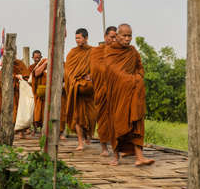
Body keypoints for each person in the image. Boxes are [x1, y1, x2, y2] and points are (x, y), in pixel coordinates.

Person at [91, 24, 154, 166]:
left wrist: (137, 78)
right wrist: (132, 80)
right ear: (117, 36)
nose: (127, 39)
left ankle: (139, 156)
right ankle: (115, 156)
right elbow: (113, 71)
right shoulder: (110, 51)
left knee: (136, 123)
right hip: (117, 95)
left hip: (133, 93)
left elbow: (140, 68)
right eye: (124, 36)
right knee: (117, 124)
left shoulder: (133, 51)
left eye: (129, 36)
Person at [64, 28, 97, 151]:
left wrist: (92, 76)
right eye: (76, 38)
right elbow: (68, 70)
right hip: (76, 89)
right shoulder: (73, 52)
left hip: (89, 90)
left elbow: (99, 67)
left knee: (91, 116)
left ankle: (88, 135)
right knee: (77, 117)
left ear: (86, 38)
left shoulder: (93, 52)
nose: (77, 40)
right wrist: (74, 81)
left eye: (79, 38)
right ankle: (80, 142)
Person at [90, 26, 117, 156]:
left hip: (116, 91)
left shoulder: (119, 52)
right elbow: (96, 68)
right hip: (102, 90)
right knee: (102, 119)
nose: (114, 40)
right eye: (112, 37)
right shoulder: (97, 52)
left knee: (117, 119)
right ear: (105, 37)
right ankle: (104, 148)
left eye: (116, 37)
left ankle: (118, 148)